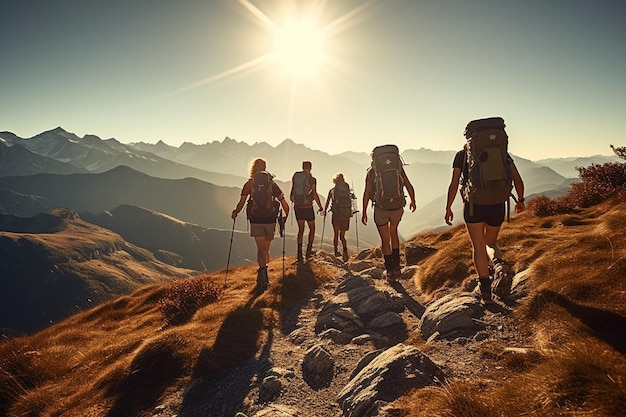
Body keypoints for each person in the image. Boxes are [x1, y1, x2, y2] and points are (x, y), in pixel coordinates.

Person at [444, 145, 525, 303]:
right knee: (491, 242)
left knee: (478, 246)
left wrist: (448, 207)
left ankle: (485, 291)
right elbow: (517, 178)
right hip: (497, 204)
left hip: (473, 205)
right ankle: (498, 264)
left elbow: (454, 184)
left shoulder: (462, 155)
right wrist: (520, 200)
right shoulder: (501, 152)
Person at [232, 157, 289, 291]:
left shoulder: (249, 184)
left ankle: (263, 276)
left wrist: (235, 212)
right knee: (266, 249)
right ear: (265, 167)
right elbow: (283, 201)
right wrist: (286, 215)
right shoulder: (271, 184)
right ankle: (264, 274)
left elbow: (241, 203)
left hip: (256, 219)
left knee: (260, 249)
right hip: (270, 220)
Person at [361, 148, 416, 280]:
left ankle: (390, 271)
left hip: (381, 208)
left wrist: (364, 211)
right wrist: (413, 200)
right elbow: (408, 184)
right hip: (397, 207)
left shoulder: (372, 172)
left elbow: (367, 192)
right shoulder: (398, 168)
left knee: (385, 240)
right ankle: (397, 267)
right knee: (394, 232)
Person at [290, 160, 323, 262]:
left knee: (301, 230)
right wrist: (320, 206)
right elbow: (314, 193)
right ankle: (309, 252)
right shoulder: (312, 179)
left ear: (302, 166)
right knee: (312, 228)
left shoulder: (295, 176)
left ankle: (299, 254)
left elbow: (291, 195)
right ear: (311, 168)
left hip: (298, 207)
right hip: (308, 207)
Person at [323, 173, 352, 262]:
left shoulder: (332, 190)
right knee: (342, 236)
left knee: (336, 234)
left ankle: (336, 251)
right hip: (346, 215)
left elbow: (327, 202)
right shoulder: (347, 189)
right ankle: (345, 251)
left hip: (336, 215)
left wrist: (324, 211)